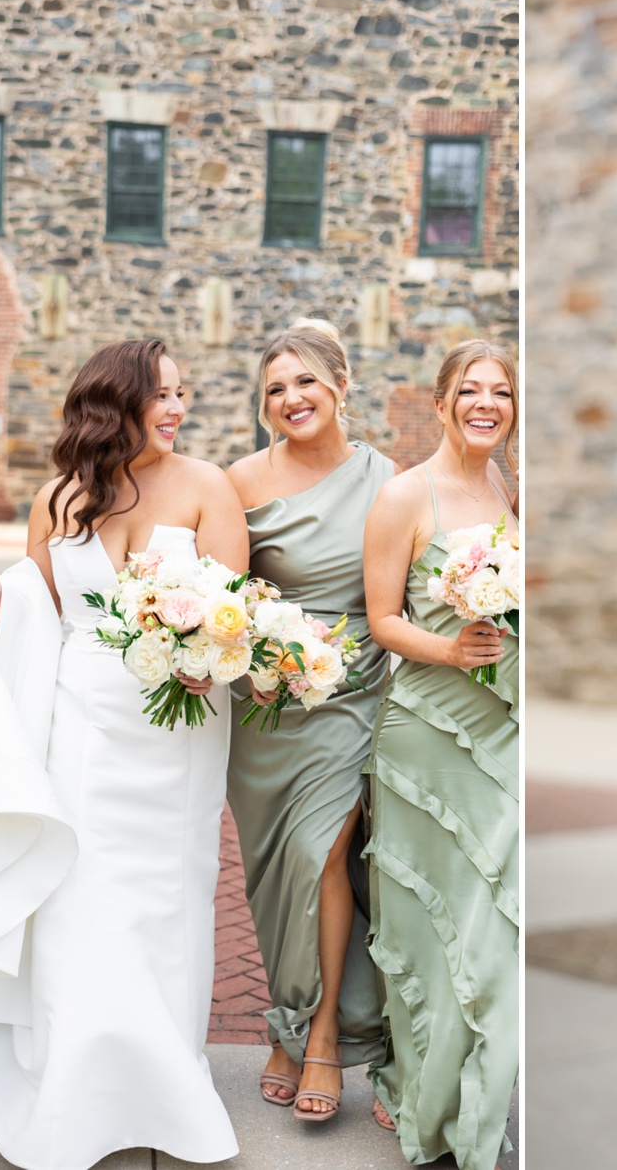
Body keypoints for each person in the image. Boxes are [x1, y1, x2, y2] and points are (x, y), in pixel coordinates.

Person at [0, 339, 246, 1169]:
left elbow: (236, 614)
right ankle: (76, 1086)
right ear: (119, 401)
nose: (179, 409)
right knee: (78, 892)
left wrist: (203, 654)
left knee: (166, 897)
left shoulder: (208, 487)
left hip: (178, 721)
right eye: (165, 395)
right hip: (79, 718)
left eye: (184, 394)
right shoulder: (58, 496)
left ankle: (164, 1085)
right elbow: (42, 607)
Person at [224, 319, 396, 1121]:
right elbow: (225, 600)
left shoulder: (385, 481)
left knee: (322, 853)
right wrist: (246, 661)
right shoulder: (240, 482)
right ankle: (286, 1025)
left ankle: (322, 1032)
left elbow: (400, 593)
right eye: (275, 390)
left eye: (304, 382)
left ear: (342, 381)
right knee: (276, 877)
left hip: (351, 694)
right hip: (264, 707)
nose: (291, 399)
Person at [361, 339, 519, 1169]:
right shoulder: (403, 495)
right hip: (425, 732)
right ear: (442, 400)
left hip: (503, 734)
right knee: (430, 928)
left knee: (495, 930)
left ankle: (480, 1105)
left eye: (500, 392)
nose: (485, 403)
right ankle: (426, 1093)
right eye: (470, 390)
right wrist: (451, 650)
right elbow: (382, 618)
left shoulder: (507, 491)